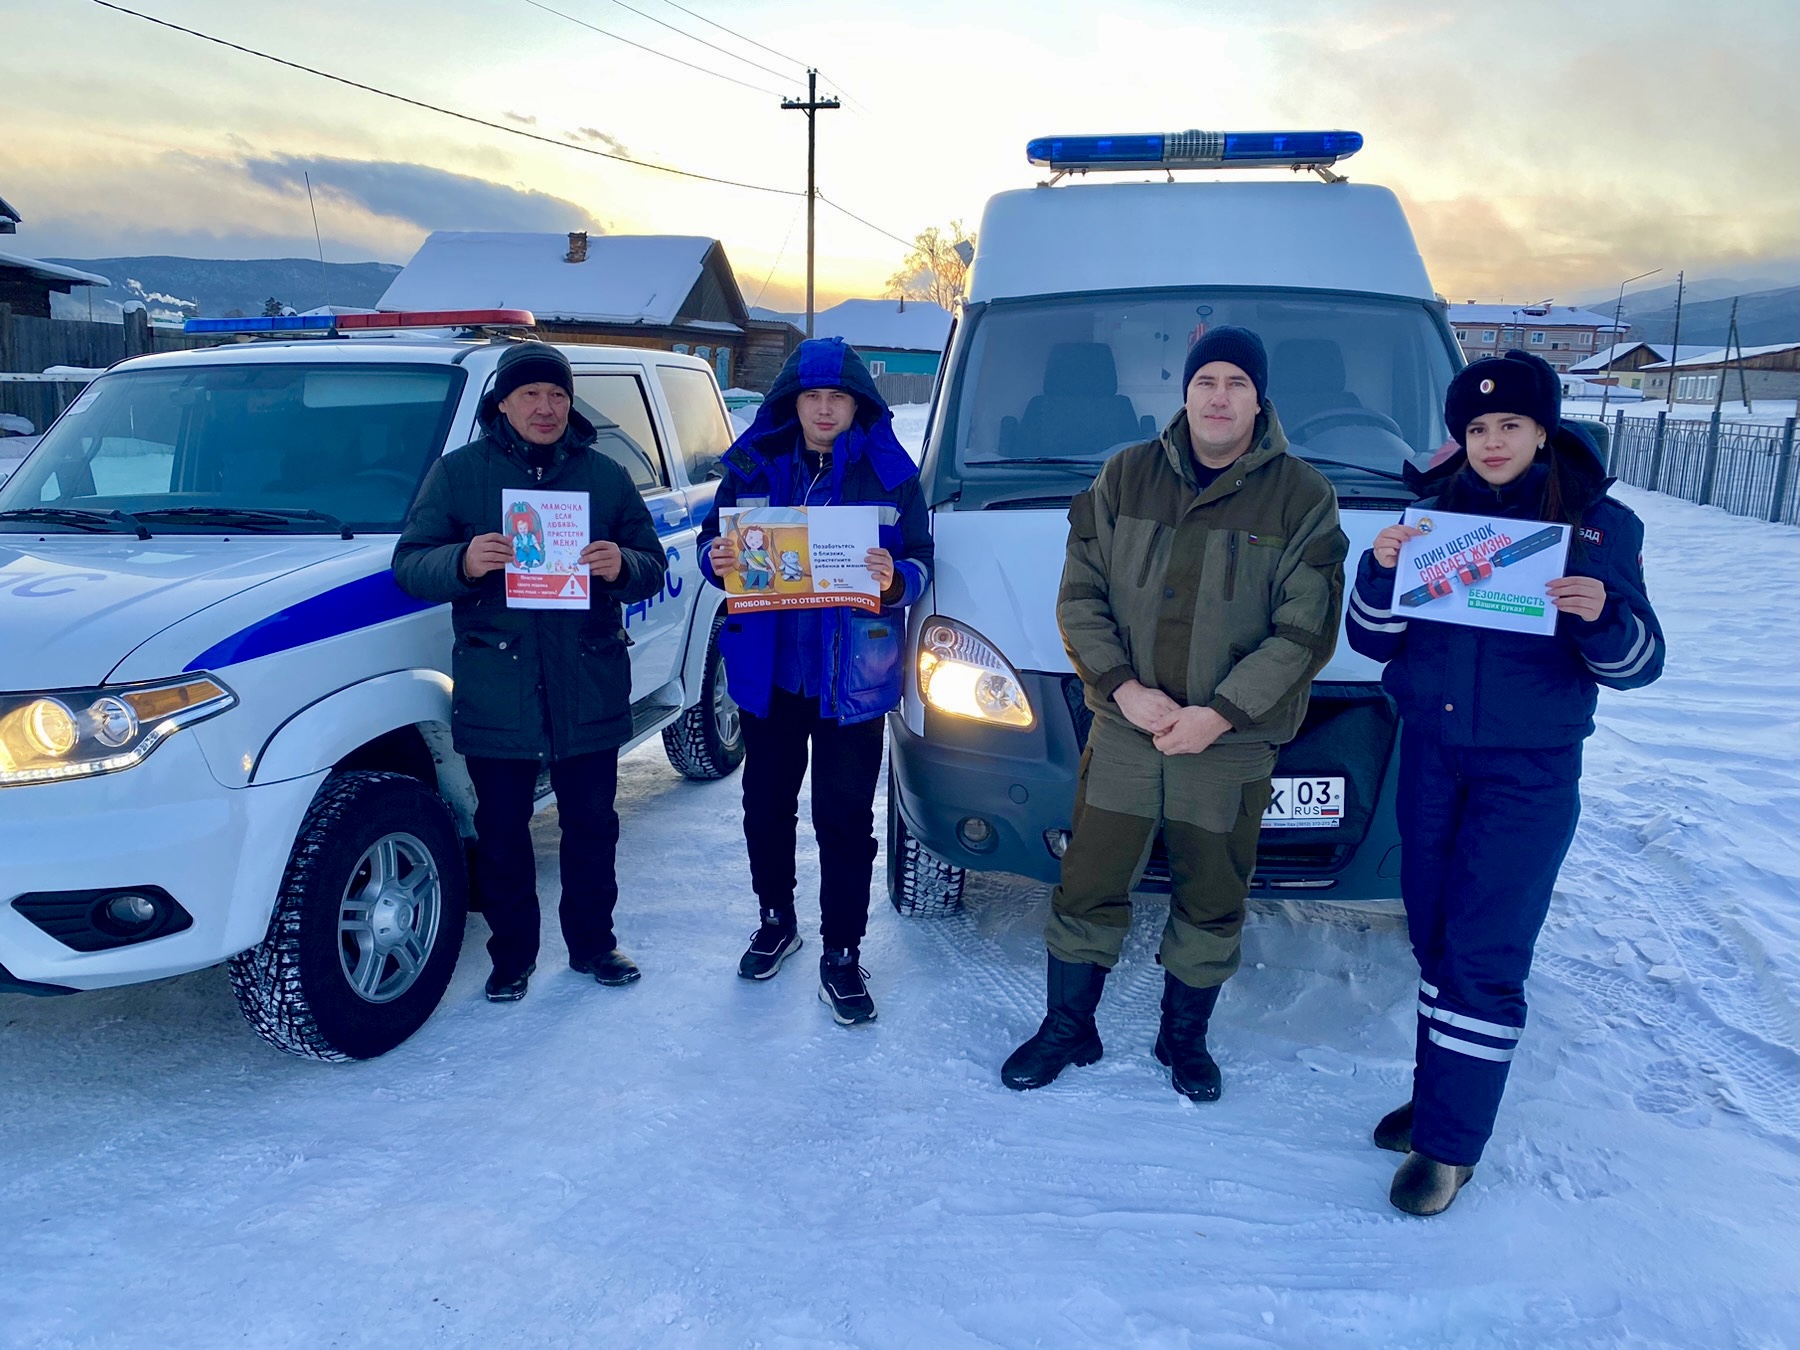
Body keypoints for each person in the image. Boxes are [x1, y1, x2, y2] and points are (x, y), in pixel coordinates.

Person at [1346, 349, 1666, 1215]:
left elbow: (1641, 663)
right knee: (1437, 938)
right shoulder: (1432, 519)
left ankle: (1448, 1151)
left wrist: (1601, 617)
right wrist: (1379, 569)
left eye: (1511, 425)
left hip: (1528, 771)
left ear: (1542, 430)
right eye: (1478, 428)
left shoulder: (1599, 528)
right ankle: (1442, 1096)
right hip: (1432, 757)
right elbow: (1373, 638)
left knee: (1484, 952)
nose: (1493, 441)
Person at [1002, 326, 1348, 1098]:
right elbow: (1080, 596)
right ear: (1185, 394)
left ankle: (1181, 1039)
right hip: (1127, 731)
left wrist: (1219, 714)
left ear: (1260, 400)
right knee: (1088, 880)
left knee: (1213, 892)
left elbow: (1304, 631)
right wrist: (1124, 688)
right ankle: (1069, 1027)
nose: (1220, 397)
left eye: (1236, 383)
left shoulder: (1302, 496)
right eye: (1206, 382)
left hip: (1227, 748)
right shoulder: (1124, 477)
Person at [394, 341, 668, 1002]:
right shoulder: (460, 475)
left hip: (587, 678)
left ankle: (594, 946)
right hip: (499, 685)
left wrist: (621, 567)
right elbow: (410, 564)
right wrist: (463, 560)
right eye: (530, 395)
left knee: (592, 825)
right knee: (503, 831)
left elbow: (650, 563)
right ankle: (512, 956)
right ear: (503, 403)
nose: (546, 407)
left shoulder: (603, 477)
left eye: (557, 394)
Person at [698, 338, 933, 1026]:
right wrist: (718, 558)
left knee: (843, 817)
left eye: (837, 399)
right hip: (770, 675)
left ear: (856, 404)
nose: (825, 409)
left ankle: (842, 950)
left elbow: (919, 556)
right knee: (765, 807)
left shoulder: (890, 474)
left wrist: (898, 579)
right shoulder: (753, 465)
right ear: (792, 402)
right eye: (812, 397)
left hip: (851, 680)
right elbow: (720, 552)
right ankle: (776, 919)